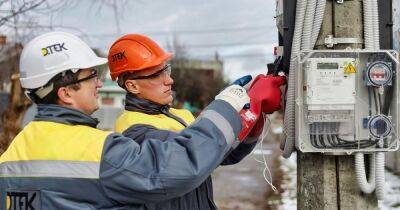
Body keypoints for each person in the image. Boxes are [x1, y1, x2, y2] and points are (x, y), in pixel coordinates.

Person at [0, 32, 284, 210]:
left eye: (166, 69)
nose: (99, 84)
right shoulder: (108, 147)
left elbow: (211, 152)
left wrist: (251, 115)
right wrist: (229, 106)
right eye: (90, 77)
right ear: (65, 92)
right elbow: (183, 163)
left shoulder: (11, 156)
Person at [108, 34, 285, 210]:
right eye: (156, 75)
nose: (169, 80)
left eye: (166, 70)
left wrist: (253, 112)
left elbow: (220, 153)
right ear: (132, 86)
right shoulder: (133, 131)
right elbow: (192, 156)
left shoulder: (179, 115)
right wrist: (226, 106)